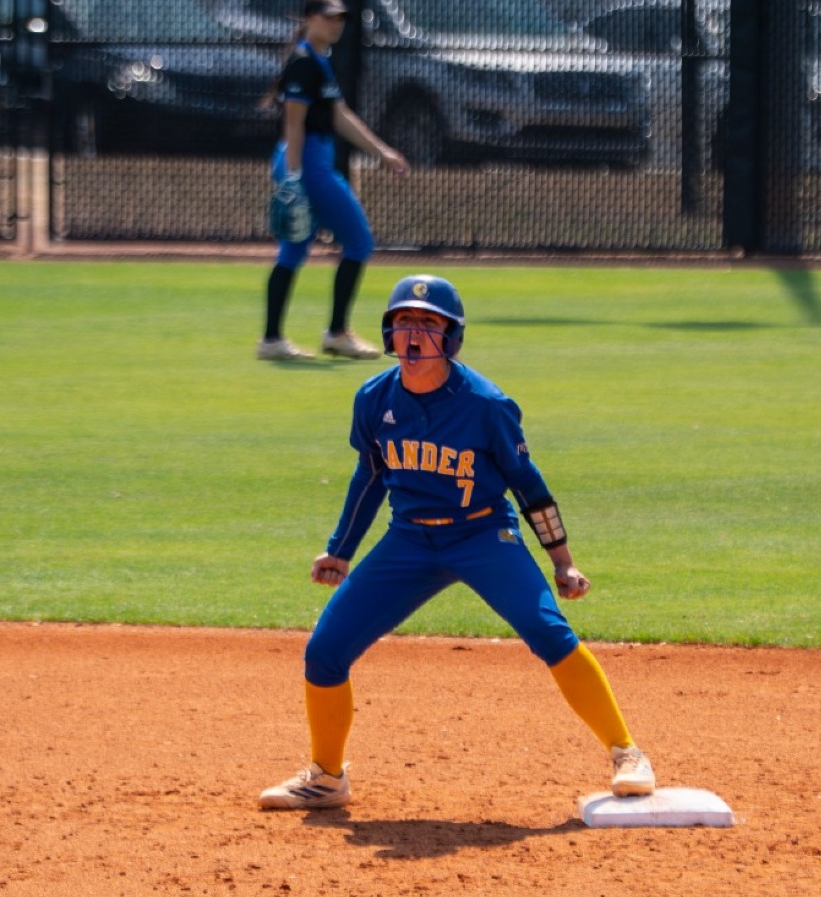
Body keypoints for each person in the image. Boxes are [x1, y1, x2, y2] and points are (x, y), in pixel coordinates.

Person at [260, 274, 656, 809]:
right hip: (409, 540)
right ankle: (327, 777)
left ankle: (627, 753)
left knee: (549, 632)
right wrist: (340, 549)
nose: (414, 334)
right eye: (404, 322)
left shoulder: (486, 404)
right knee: (324, 651)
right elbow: (370, 477)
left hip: (483, 533)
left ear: (451, 337)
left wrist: (562, 562)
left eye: (429, 323)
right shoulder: (374, 399)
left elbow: (529, 486)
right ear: (388, 334)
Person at [257, 0, 409, 363]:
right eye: (330, 16)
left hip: (315, 158)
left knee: (295, 250)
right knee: (358, 240)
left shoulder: (319, 60)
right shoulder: (304, 62)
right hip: (307, 161)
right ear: (311, 17)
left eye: (341, 17)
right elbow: (293, 124)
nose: (337, 23)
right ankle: (336, 333)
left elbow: (340, 115)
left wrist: (382, 152)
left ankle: (273, 339)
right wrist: (292, 176)